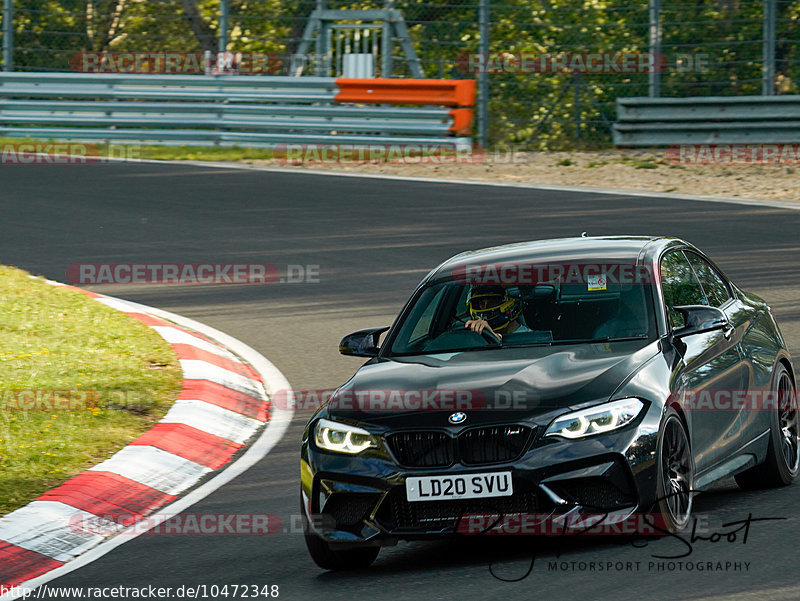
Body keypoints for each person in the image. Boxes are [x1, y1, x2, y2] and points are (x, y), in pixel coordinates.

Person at [464, 285, 530, 341]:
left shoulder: (530, 339)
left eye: (492, 300)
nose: (486, 306)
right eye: (481, 303)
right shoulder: (476, 338)